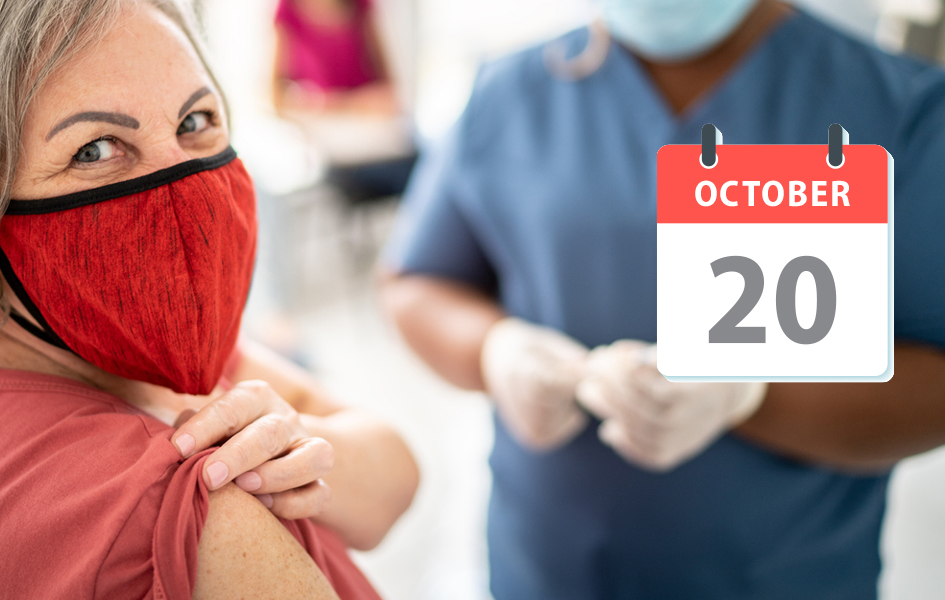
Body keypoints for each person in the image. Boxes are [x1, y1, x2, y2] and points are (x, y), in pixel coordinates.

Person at [381, 0, 945, 598]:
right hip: (547, 571)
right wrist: (493, 349)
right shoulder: (510, 93)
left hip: (784, 575)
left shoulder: (893, 106)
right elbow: (417, 280)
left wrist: (747, 394)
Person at [0, 0, 418, 598]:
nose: (186, 187)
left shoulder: (28, 356)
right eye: (95, 149)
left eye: (194, 122)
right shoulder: (191, 511)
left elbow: (397, 476)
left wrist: (296, 452)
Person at [272, 0, 417, 202]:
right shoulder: (288, 10)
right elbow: (275, 97)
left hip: (372, 144)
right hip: (327, 151)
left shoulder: (362, 6)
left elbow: (390, 93)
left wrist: (331, 105)